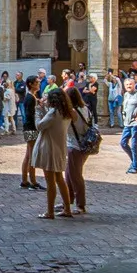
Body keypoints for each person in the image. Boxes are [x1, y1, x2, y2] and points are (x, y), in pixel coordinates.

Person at [31, 90, 75, 218]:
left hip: (49, 149)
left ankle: (50, 212)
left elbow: (39, 126)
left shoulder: (54, 113)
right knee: (60, 179)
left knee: (50, 182)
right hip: (59, 148)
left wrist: (38, 111)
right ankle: (67, 209)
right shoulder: (65, 113)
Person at [63, 84, 98, 214]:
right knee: (68, 174)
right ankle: (68, 200)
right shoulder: (85, 109)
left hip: (75, 146)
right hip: (84, 144)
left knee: (76, 176)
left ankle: (80, 205)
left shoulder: (72, 112)